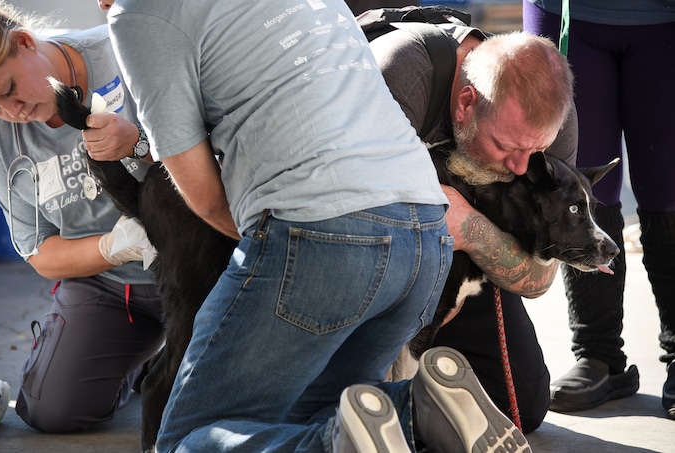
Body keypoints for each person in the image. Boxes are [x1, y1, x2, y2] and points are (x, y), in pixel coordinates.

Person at [101, 1, 540, 452]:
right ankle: (418, 409)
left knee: (184, 441)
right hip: (424, 234)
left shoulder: (141, 14)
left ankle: (351, 438)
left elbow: (202, 195)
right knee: (331, 414)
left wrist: (286, 255)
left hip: (322, 225)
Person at [368, 20, 578, 433]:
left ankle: (412, 408)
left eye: (534, 153)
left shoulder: (551, 119)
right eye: (506, 147)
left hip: (464, 262)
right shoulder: (402, 74)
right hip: (372, 250)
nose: (521, 167)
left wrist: (468, 226)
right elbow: (345, 226)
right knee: (352, 386)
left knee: (518, 406)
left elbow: (539, 278)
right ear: (466, 103)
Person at [0, 1, 164, 433]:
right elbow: (41, 254)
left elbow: (218, 155)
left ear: (25, 43)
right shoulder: (0, 137)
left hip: (193, 261)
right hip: (110, 286)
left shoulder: (125, 49)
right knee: (50, 411)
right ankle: (135, 361)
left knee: (216, 399)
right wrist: (112, 248)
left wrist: (138, 144)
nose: (15, 113)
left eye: (8, 91)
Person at [523, 0, 675, 418]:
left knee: (668, 189)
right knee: (577, 186)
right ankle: (598, 354)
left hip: (664, 20)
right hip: (566, 12)